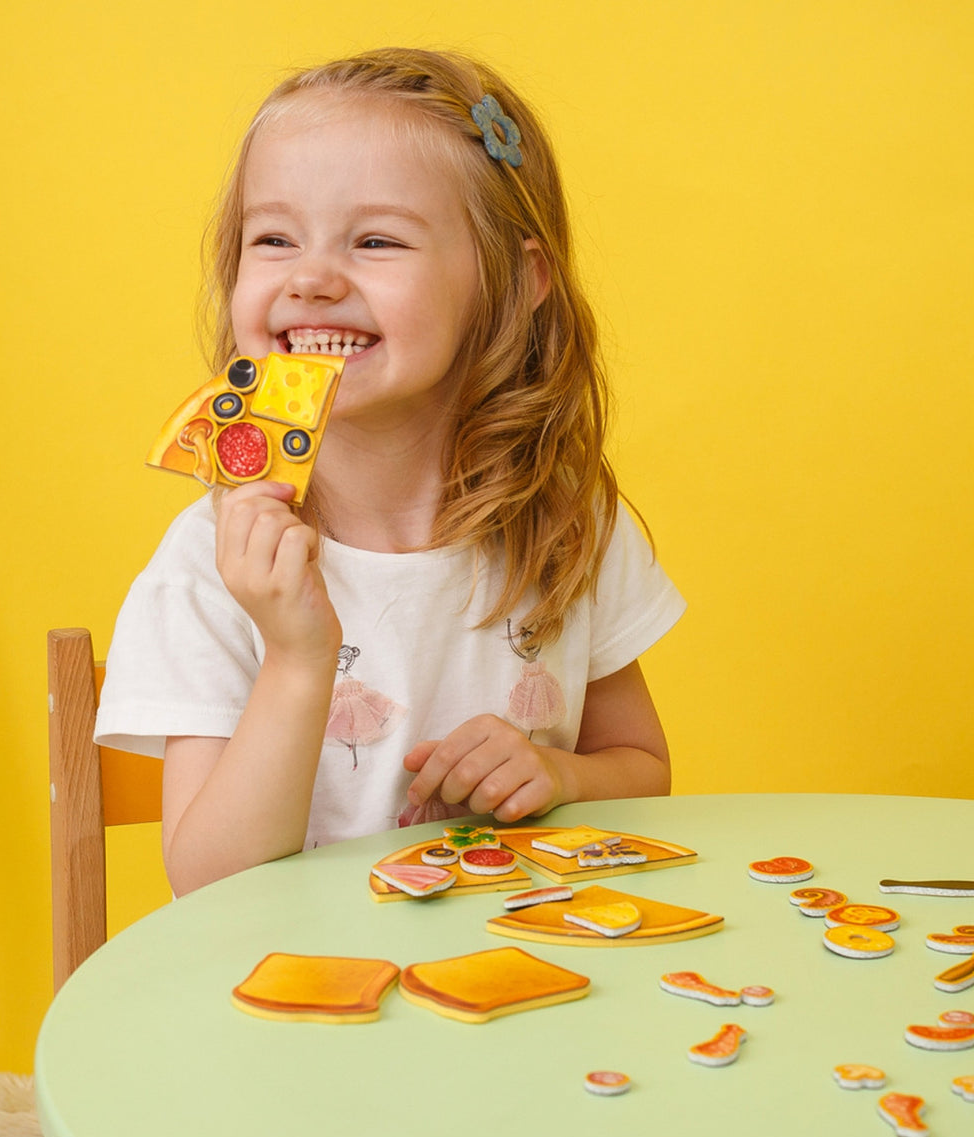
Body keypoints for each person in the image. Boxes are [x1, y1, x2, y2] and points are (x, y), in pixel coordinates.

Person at [94, 48, 685, 896]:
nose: (311, 279)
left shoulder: (563, 521)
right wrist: (298, 657)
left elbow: (643, 767)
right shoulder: (211, 567)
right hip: (295, 1004)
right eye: (274, 239)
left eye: (376, 240)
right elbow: (206, 883)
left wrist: (559, 778)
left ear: (517, 284)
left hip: (525, 980)